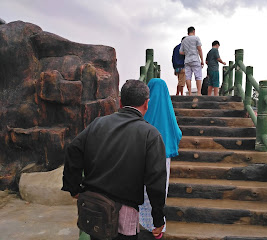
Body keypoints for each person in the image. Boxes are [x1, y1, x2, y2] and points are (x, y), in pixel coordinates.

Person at [62, 80, 167, 240]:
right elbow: (156, 182)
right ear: (146, 104)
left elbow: (73, 149)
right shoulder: (150, 135)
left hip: (95, 206)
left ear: (120, 101)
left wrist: (74, 188)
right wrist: (158, 219)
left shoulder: (97, 124)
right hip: (125, 213)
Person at [139, 78, 182, 237]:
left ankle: (142, 220)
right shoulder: (167, 108)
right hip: (162, 156)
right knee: (158, 189)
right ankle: (158, 227)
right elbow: (177, 133)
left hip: (142, 155)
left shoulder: (145, 108)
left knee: (143, 188)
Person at [179, 26, 204, 96]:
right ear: (194, 31)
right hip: (195, 59)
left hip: (187, 60)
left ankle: (189, 92)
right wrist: (202, 60)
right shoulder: (196, 38)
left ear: (188, 32)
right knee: (198, 76)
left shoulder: (184, 40)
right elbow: (199, 49)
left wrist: (187, 53)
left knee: (188, 77)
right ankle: (199, 92)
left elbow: (180, 52)